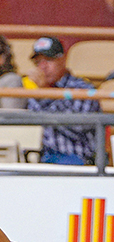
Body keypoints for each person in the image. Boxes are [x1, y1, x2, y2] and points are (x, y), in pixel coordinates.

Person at [25, 36, 100, 165]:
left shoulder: (82, 88)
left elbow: (78, 127)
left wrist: (46, 93)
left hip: (76, 160)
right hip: (37, 159)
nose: (43, 67)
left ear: (63, 60)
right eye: (38, 62)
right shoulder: (32, 90)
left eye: (48, 60)